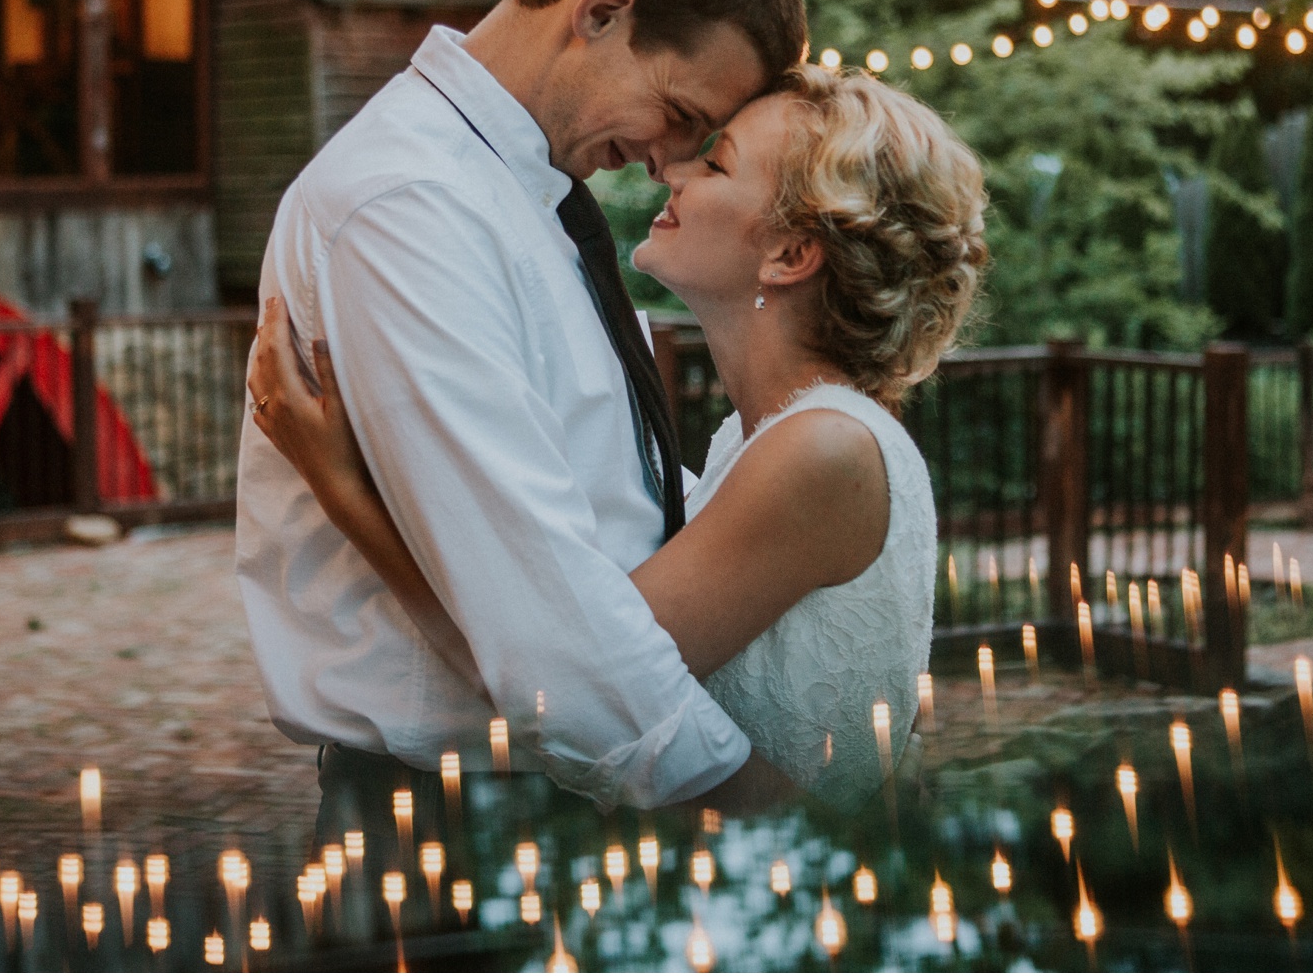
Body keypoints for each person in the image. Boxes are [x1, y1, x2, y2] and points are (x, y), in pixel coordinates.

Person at [251, 63, 989, 811]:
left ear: (791, 255)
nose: (673, 169)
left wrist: (342, 487)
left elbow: (565, 683)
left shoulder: (822, 452)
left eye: (716, 160)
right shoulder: (755, 441)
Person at [234, 0, 808, 819]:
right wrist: (745, 794)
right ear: (602, 11)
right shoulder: (409, 205)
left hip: (559, 789)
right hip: (457, 822)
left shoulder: (515, 194)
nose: (669, 159)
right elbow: (539, 614)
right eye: (681, 114)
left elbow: (598, 518)